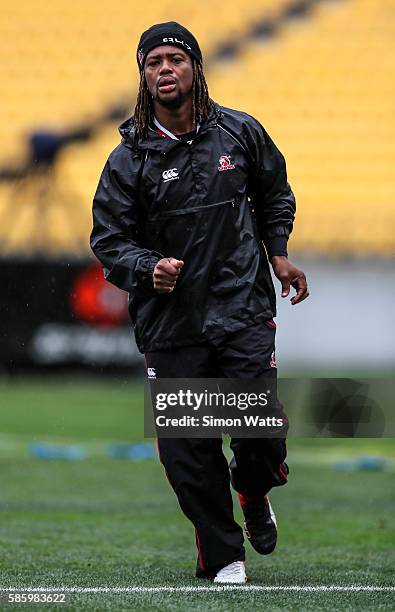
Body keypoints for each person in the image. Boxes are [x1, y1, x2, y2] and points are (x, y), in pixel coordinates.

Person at [90, 21, 309, 584]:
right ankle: (224, 557)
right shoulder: (128, 159)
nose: (164, 69)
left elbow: (274, 193)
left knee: (260, 435)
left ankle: (254, 491)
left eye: (174, 59)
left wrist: (278, 252)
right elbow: (109, 240)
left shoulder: (239, 132)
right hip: (172, 324)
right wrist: (147, 267)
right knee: (189, 452)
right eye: (152, 62)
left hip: (242, 307)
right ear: (143, 75)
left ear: (195, 67)